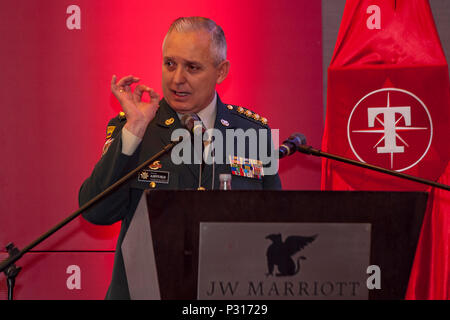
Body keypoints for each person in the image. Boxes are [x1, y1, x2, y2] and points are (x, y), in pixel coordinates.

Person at [79, 16, 282, 300]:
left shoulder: (253, 133)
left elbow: (275, 223)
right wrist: (134, 131)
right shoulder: (136, 128)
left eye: (192, 67)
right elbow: (95, 212)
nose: (177, 79)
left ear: (221, 71)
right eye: (170, 64)